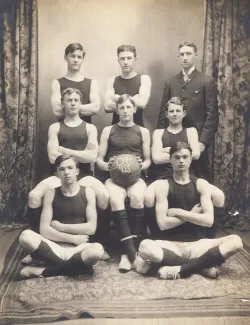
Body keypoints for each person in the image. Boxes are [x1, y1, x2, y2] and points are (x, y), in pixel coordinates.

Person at [138, 142, 243, 279]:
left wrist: (179, 212)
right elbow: (163, 224)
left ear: (191, 159)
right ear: (170, 160)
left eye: (185, 157)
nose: (181, 161)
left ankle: (181, 269)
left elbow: (208, 221)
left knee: (236, 241)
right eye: (176, 157)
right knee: (144, 247)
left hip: (197, 245)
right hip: (170, 245)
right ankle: (201, 266)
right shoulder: (163, 185)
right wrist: (194, 215)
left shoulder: (201, 184)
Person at [28, 88, 109, 252]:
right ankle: (40, 243)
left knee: (104, 196)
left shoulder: (89, 128)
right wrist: (82, 153)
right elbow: (52, 157)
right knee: (33, 196)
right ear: (63, 104)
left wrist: (65, 150)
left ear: (80, 104)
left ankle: (98, 242)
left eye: (76, 100)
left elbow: (92, 157)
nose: (72, 103)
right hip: (59, 174)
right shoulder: (55, 127)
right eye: (69, 100)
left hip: (83, 175)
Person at [19, 155, 104, 279]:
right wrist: (73, 238)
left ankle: (47, 271)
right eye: (62, 169)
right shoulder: (51, 193)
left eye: (70, 168)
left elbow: (91, 228)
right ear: (57, 173)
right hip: (55, 247)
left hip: (78, 248)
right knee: (25, 236)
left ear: (77, 171)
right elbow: (44, 230)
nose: (67, 172)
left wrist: (61, 226)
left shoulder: (88, 192)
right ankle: (77, 268)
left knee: (97, 250)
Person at [97, 94, 151, 273]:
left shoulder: (142, 131)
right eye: (122, 108)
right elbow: (99, 160)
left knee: (137, 197)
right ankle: (129, 253)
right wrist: (107, 166)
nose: (126, 111)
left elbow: (148, 160)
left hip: (136, 178)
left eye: (129, 107)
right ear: (117, 110)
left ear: (135, 110)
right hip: (115, 179)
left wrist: (141, 165)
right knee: (115, 199)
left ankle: (128, 250)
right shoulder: (108, 130)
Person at [157, 41, 219, 181]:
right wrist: (160, 138)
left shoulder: (206, 81)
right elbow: (163, 113)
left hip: (196, 140)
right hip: (173, 138)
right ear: (178, 57)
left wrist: (202, 142)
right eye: (182, 54)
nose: (185, 57)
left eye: (188, 54)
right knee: (173, 179)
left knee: (199, 179)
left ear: (195, 55)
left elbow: (212, 116)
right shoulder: (171, 82)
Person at [144, 97, 200, 237]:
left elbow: (196, 154)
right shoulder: (159, 133)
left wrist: (167, 151)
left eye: (178, 111)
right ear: (166, 114)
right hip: (163, 176)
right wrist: (184, 154)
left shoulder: (191, 131)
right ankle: (156, 235)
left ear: (184, 113)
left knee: (217, 196)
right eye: (171, 111)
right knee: (148, 197)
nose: (175, 114)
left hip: (186, 175)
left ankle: (204, 237)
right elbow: (156, 158)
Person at [51, 43, 100, 123]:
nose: (76, 60)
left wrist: (68, 108)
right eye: (72, 56)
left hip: (85, 132)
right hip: (63, 131)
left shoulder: (91, 83)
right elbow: (57, 111)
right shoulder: (57, 83)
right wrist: (85, 109)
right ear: (65, 58)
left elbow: (95, 108)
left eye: (79, 57)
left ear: (82, 59)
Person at [104, 45, 151, 127]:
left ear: (135, 60)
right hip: (115, 131)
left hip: (138, 130)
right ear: (118, 60)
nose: (125, 62)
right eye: (122, 58)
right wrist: (134, 101)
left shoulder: (144, 79)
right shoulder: (112, 81)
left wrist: (117, 99)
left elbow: (142, 103)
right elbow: (107, 107)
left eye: (129, 58)